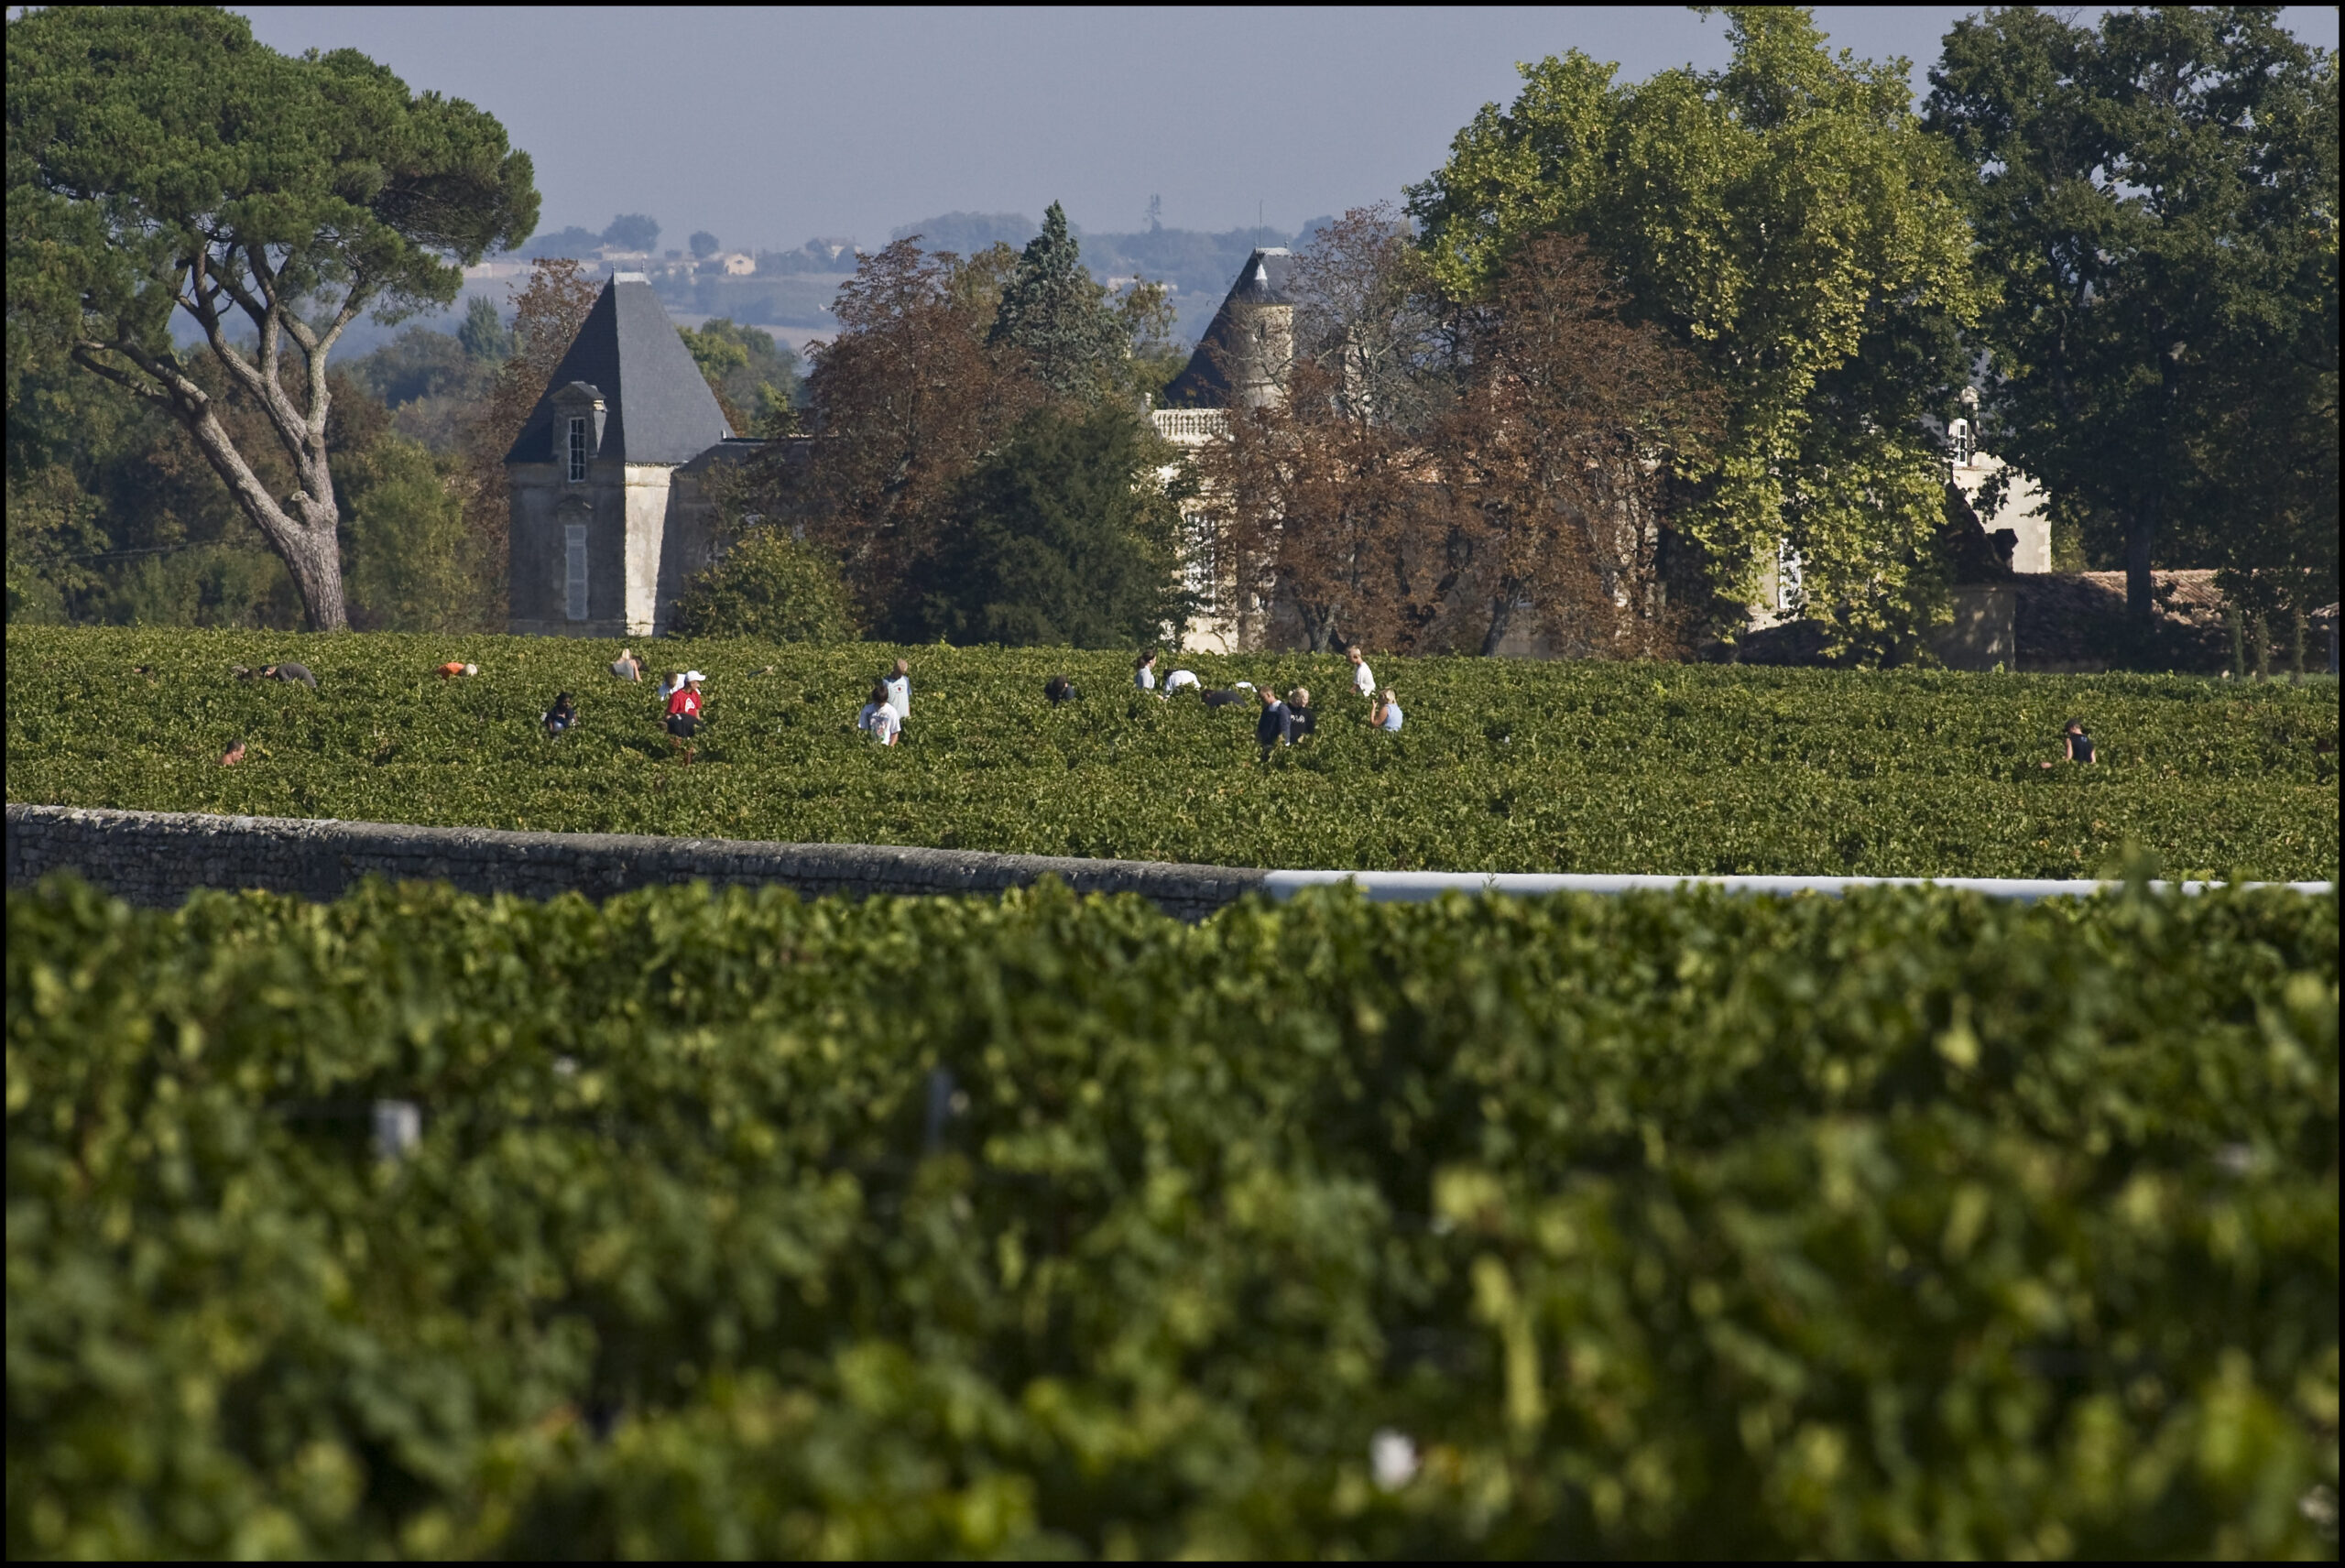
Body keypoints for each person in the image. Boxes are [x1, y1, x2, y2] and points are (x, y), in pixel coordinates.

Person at [665, 672, 704, 762]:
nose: (699, 685)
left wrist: (698, 727)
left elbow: (697, 712)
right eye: (697, 682)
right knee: (684, 754)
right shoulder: (677, 696)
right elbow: (669, 716)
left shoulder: (695, 694)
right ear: (691, 683)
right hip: (681, 728)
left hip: (692, 727)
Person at [858, 681, 901, 745]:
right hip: (869, 745)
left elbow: (895, 733)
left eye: (881, 703)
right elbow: (863, 728)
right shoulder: (867, 710)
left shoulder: (892, 712)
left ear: (886, 700)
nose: (879, 705)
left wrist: (890, 748)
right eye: (877, 703)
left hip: (885, 746)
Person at [1256, 684, 1292, 751]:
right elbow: (1260, 727)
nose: (1262, 700)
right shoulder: (1266, 709)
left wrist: (1284, 745)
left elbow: (1285, 728)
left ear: (1269, 695)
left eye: (1263, 698)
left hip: (1275, 746)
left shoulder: (1282, 709)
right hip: (1264, 745)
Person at [883, 659, 911, 724]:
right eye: (899, 673)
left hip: (905, 718)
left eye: (902, 673)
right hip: (891, 719)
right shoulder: (886, 682)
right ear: (894, 668)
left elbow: (907, 698)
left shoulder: (905, 680)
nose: (900, 675)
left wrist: (909, 714)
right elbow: (882, 700)